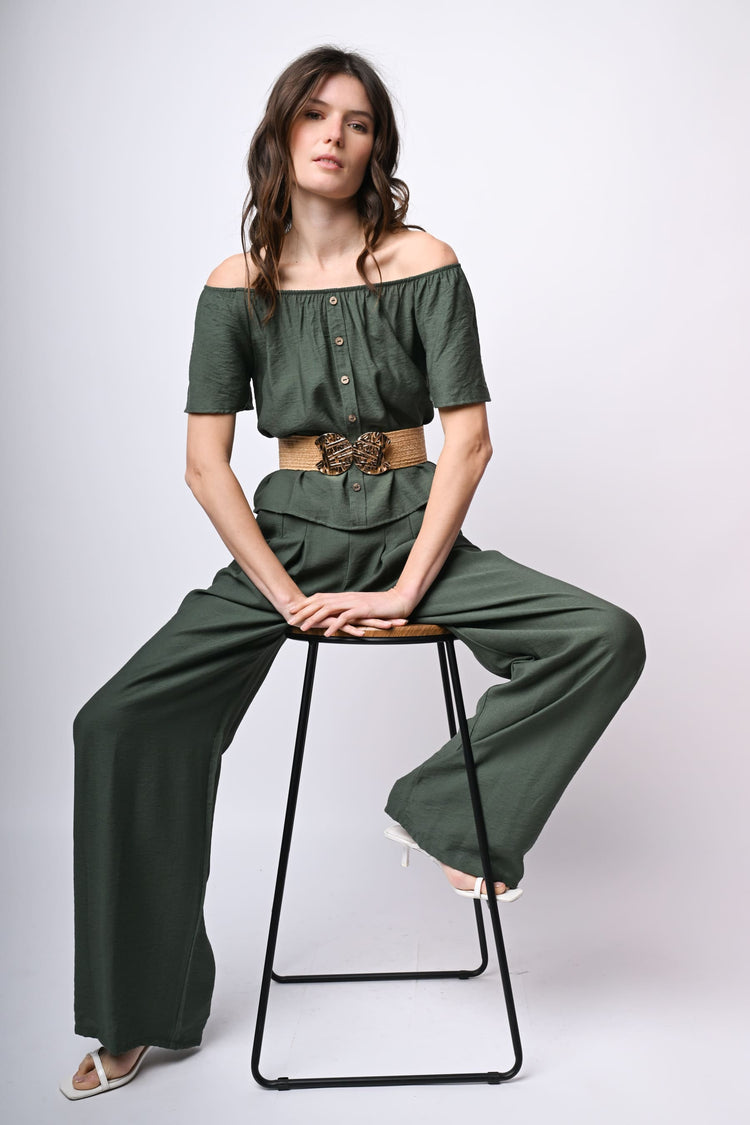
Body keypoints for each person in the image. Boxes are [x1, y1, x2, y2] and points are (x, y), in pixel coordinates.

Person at [61, 45, 646, 1099]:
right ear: (281, 133)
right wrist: (283, 596)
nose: (335, 134)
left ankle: (444, 812)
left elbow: (468, 442)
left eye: (359, 121)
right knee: (118, 722)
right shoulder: (233, 287)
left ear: (378, 148)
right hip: (285, 541)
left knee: (602, 636)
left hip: (414, 529)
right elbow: (205, 466)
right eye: (315, 114)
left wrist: (408, 587)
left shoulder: (425, 260)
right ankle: (141, 1008)